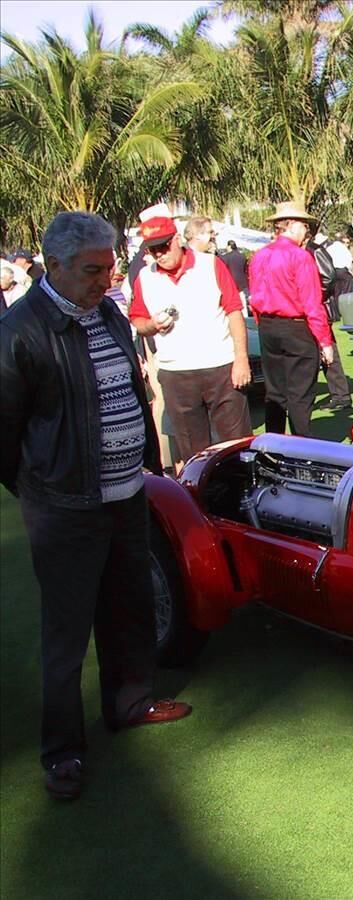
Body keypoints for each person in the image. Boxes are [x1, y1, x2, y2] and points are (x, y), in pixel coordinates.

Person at [0, 211, 192, 802]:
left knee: (128, 605)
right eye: (91, 270)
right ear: (53, 265)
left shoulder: (108, 311)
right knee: (66, 631)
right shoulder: (19, 331)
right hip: (64, 506)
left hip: (124, 493)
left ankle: (130, 703)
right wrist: (44, 487)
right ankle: (62, 751)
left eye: (109, 268)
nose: (106, 280)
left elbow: (130, 390)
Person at [127, 207, 253, 463]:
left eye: (163, 246)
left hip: (221, 367)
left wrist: (241, 359)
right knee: (193, 453)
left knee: (236, 446)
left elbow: (234, 311)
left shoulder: (210, 264)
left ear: (176, 240)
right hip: (176, 374)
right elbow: (137, 320)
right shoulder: (145, 277)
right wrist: (152, 324)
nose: (159, 254)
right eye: (153, 249)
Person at [249, 201, 335, 435]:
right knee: (300, 395)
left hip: (268, 327)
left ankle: (273, 444)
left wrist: (263, 324)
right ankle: (301, 445)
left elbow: (254, 297)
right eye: (304, 225)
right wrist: (325, 342)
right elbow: (312, 303)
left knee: (274, 393)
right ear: (293, 225)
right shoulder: (300, 257)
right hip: (296, 329)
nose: (306, 231)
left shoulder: (260, 256)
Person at [308, 232, 353, 411]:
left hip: (317, 309)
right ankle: (339, 395)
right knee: (318, 352)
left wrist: (313, 295)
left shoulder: (314, 250)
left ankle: (341, 396)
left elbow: (328, 277)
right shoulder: (309, 250)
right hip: (312, 307)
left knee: (327, 350)